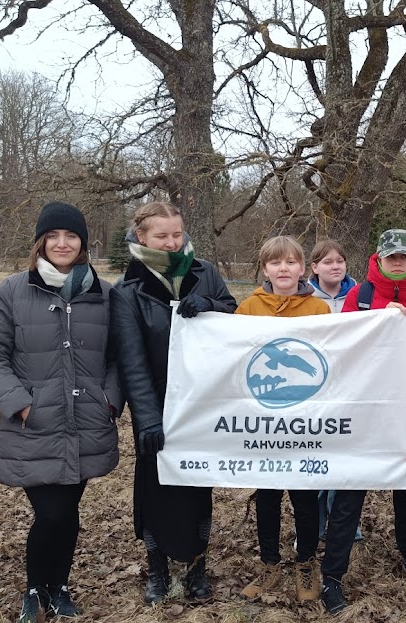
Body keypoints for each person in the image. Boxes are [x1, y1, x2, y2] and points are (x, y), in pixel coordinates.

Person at [0, 202, 123, 622]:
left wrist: (108, 399)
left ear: (83, 243)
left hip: (86, 423)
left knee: (68, 512)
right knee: (52, 512)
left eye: (71, 236)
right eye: (54, 236)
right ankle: (35, 589)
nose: (62, 243)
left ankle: (58, 587)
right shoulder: (12, 291)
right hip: (35, 427)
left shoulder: (104, 293)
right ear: (41, 242)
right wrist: (19, 403)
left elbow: (117, 358)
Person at [109, 201, 238, 605]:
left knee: (198, 487)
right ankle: (158, 567)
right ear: (142, 237)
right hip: (158, 406)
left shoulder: (204, 273)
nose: (171, 242)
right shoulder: (128, 290)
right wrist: (147, 419)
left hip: (203, 403)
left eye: (176, 234)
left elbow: (234, 317)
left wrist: (212, 307)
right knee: (157, 489)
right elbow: (131, 361)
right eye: (161, 236)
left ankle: (198, 566)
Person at [319, 229, 406, 614]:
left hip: (405, 421)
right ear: (378, 257)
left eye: (403, 257)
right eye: (390, 255)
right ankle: (332, 574)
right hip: (363, 419)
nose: (397, 262)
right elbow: (341, 352)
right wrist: (378, 322)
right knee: (348, 498)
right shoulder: (359, 298)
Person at [236, 236, 330, 603]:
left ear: (303, 269)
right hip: (263, 421)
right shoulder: (247, 308)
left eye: (291, 262)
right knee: (268, 496)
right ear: (265, 269)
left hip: (304, 419)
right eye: (276, 263)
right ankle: (270, 563)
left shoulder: (319, 310)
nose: (284, 269)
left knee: (305, 496)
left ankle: (306, 563)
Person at [307, 239, 363, 543]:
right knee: (317, 458)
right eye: (327, 262)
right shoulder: (304, 298)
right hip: (315, 391)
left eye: (340, 260)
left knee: (344, 458)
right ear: (314, 267)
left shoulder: (359, 295)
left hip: (350, 387)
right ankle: (315, 523)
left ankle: (345, 523)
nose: (335, 266)